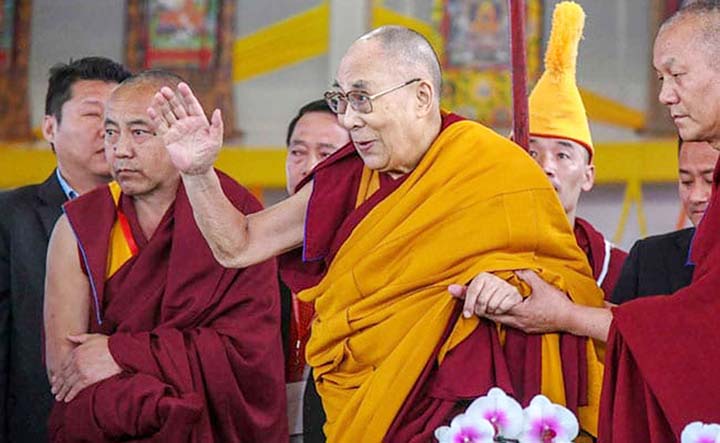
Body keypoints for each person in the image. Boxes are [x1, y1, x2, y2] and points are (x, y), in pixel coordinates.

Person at [150, 24, 606, 442]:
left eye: (363, 99)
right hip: (355, 400)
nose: (348, 119)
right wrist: (197, 172)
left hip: (461, 408)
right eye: (341, 100)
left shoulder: (497, 170)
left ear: (422, 97)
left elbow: (564, 286)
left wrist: (507, 285)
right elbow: (239, 244)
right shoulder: (348, 180)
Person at [479, 2, 720, 441]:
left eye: (676, 75)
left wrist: (568, 315)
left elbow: (701, 329)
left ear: (589, 174)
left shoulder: (619, 262)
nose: (664, 94)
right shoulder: (478, 248)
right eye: (660, 79)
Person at [43, 71, 287, 442]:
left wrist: (120, 353)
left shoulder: (237, 216)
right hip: (113, 427)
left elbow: (249, 355)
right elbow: (67, 370)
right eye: (111, 132)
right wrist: (153, 402)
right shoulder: (80, 226)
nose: (120, 150)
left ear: (181, 132)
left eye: (139, 132)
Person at [0, 57, 130, 443]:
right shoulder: (10, 217)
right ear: (49, 127)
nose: (108, 129)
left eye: (120, 116)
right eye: (94, 114)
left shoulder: (158, 217)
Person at [525, 3, 627, 300]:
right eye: (531, 153)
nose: (546, 166)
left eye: (563, 155)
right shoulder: (485, 258)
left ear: (588, 175)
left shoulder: (617, 270)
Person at [281, 99, 349, 443]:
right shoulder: (259, 243)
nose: (309, 167)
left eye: (327, 153)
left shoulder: (373, 248)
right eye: (297, 152)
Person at [612, 138, 718, 303]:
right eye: (687, 182)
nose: (696, 196)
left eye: (710, 181)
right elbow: (615, 326)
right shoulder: (647, 259)